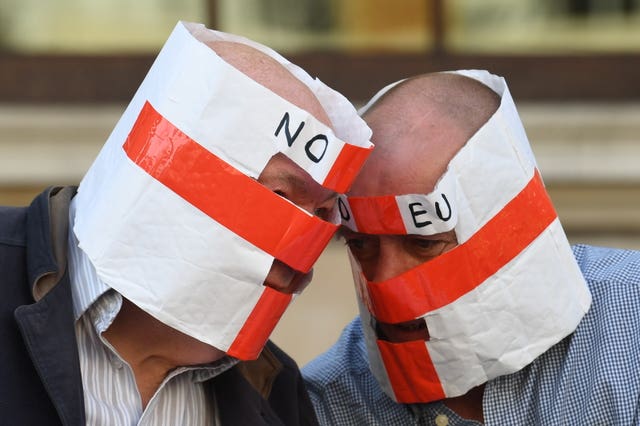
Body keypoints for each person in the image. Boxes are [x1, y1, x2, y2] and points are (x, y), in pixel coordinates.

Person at [0, 22, 372, 425]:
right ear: (172, 167)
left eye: (322, 215)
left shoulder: (278, 396)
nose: (303, 255)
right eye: (281, 197)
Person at [302, 70, 640, 425]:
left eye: (423, 243)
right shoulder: (331, 400)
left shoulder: (630, 329)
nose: (385, 279)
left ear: (512, 229)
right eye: (361, 245)